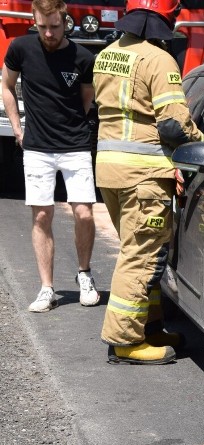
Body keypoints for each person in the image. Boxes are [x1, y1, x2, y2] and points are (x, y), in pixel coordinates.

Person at [93, 0, 204, 364]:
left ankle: (147, 328)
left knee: (141, 251)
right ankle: (125, 342)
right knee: (141, 256)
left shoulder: (107, 54)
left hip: (109, 169)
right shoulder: (159, 59)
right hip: (143, 175)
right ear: (166, 15)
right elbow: (172, 124)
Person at [2, 0, 100, 313]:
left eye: (54, 26)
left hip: (75, 146)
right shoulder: (20, 48)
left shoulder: (82, 57)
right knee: (42, 215)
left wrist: (73, 127)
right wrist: (18, 128)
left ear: (65, 21)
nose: (48, 32)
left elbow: (87, 99)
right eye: (42, 26)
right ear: (34, 20)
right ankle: (47, 288)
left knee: (84, 212)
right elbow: (6, 86)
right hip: (37, 148)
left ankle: (84, 275)